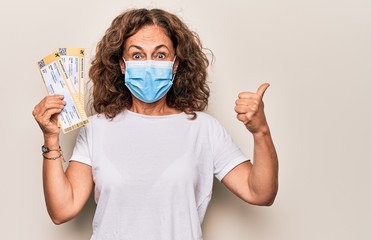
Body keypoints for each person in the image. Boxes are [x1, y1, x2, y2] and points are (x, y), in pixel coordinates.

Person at [32, 8, 278, 240]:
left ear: (176, 63)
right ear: (122, 64)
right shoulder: (96, 129)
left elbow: (260, 193)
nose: (149, 64)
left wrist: (260, 131)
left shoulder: (204, 129)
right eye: (137, 55)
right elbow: (62, 210)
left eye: (160, 55)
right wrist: (51, 139)